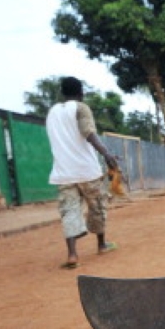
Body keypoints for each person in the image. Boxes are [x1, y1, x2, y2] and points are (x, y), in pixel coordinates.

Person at [45, 76, 119, 269]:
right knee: (97, 206)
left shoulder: (52, 112)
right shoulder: (80, 107)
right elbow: (89, 133)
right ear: (81, 93)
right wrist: (107, 154)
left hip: (63, 172)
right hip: (87, 171)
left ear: (62, 92)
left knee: (68, 211)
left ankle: (72, 255)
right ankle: (102, 244)